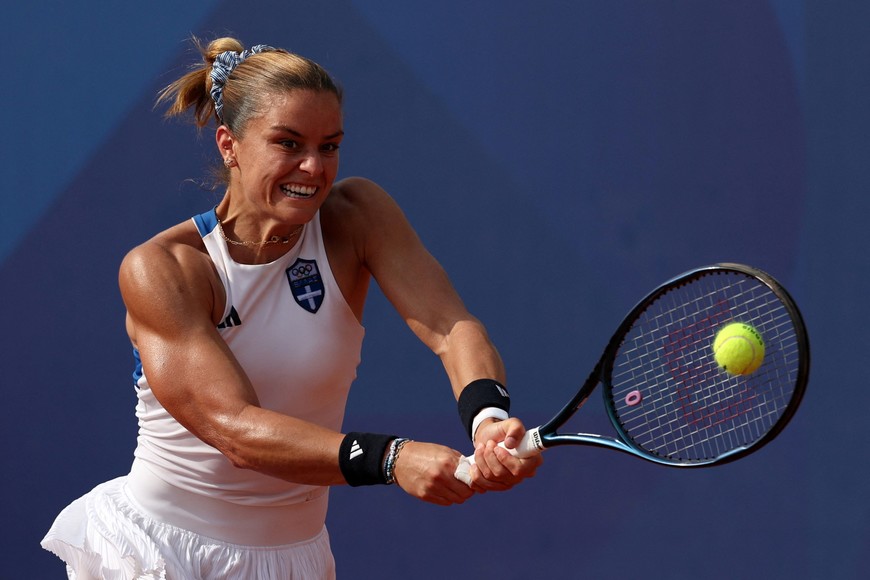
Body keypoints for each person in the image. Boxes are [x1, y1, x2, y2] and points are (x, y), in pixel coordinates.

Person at [41, 36, 541, 579]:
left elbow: (451, 327)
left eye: (329, 146)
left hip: (296, 556)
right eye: (288, 143)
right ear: (229, 144)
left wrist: (488, 421)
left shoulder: (359, 217)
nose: (313, 166)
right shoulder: (165, 267)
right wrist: (392, 459)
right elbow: (234, 428)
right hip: (163, 554)